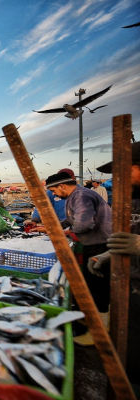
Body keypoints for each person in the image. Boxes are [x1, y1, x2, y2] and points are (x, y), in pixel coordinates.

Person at [87, 141, 140, 377]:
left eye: (123, 170)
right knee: (131, 356)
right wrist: (108, 254)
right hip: (133, 286)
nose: (116, 178)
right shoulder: (132, 197)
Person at [45, 170, 112, 345]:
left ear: (62, 186)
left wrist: (65, 233)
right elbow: (72, 220)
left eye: (53, 190)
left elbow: (84, 224)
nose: (54, 194)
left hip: (100, 246)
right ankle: (93, 321)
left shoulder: (81, 196)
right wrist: (55, 227)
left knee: (98, 286)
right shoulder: (75, 196)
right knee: (93, 284)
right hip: (94, 244)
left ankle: (100, 333)